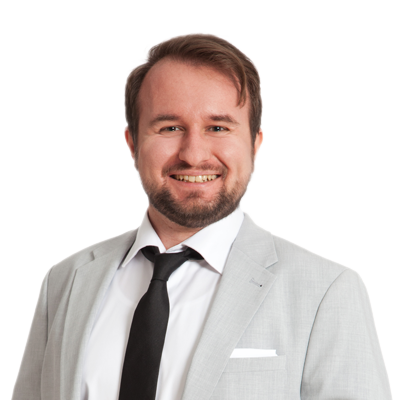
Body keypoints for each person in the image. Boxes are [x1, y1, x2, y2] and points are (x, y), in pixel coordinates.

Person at [11, 32, 392, 400]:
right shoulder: (66, 279)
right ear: (133, 143)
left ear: (256, 143)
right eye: (170, 127)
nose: (194, 154)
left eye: (218, 127)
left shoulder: (326, 291)